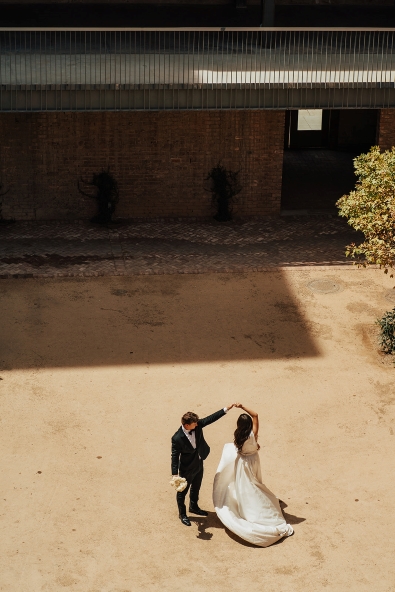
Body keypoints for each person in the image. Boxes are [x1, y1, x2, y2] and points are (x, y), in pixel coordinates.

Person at [213, 403, 294, 547]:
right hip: (253, 461)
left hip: (242, 463)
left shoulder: (238, 436)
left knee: (246, 486)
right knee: (256, 482)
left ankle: (247, 507)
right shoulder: (253, 434)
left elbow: (238, 449)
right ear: (249, 424)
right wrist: (242, 406)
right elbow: (255, 414)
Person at [171, 404, 235, 526]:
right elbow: (174, 456)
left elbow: (210, 418)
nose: (197, 425)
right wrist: (174, 474)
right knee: (182, 492)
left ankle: (193, 506)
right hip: (186, 468)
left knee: (196, 486)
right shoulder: (176, 438)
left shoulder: (197, 424)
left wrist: (225, 409)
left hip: (199, 462)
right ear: (187, 425)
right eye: (194, 424)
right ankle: (183, 514)